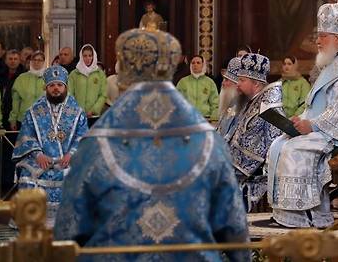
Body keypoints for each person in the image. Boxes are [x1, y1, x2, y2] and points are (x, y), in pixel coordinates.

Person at [54, 28, 250, 261]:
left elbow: (68, 233)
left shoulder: (94, 146)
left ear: (122, 77)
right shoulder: (210, 143)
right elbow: (235, 232)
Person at [267, 3, 338, 228]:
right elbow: (317, 105)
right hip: (325, 128)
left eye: (322, 36)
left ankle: (305, 216)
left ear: (337, 39)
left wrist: (312, 126)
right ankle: (288, 213)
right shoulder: (334, 64)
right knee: (278, 144)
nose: (317, 41)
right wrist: (300, 119)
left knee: (293, 149)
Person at [12, 66, 88, 227]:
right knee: (27, 174)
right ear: (46, 88)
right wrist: (38, 154)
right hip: (40, 159)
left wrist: (71, 154)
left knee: (78, 175)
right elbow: (26, 135)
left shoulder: (77, 112)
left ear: (65, 87)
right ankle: (31, 221)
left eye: (59, 85)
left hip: (67, 159)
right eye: (52, 85)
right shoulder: (33, 111)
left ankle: (70, 221)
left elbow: (83, 137)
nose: (56, 89)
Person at [227, 53, 283, 211]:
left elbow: (248, 157)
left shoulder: (265, 111)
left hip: (254, 177)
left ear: (257, 84)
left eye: (242, 80)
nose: (237, 84)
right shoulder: (252, 103)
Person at [68, 44, 107, 123]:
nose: (88, 58)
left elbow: (103, 94)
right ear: (81, 57)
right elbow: (69, 94)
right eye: (85, 56)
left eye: (90, 55)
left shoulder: (100, 74)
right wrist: (76, 110)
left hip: (94, 116)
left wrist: (94, 110)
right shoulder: (74, 74)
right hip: (77, 115)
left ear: (94, 56)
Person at [9, 50, 46, 130]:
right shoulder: (21, 78)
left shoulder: (48, 78)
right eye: (34, 60)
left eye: (39, 60)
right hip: (24, 119)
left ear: (44, 62)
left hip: (44, 120)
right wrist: (13, 119)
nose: (36, 62)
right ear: (31, 62)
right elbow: (16, 101)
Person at [176, 55, 220, 122]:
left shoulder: (210, 82)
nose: (195, 65)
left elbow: (215, 104)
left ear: (203, 65)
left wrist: (214, 120)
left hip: (205, 119)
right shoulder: (183, 82)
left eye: (198, 63)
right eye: (193, 63)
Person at [217, 57, 243, 138]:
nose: (223, 83)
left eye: (226, 80)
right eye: (224, 79)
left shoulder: (241, 108)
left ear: (236, 85)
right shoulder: (229, 104)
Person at [0, 50, 25, 129]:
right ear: (6, 61)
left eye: (15, 59)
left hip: (16, 113)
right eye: (10, 59)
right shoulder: (0, 75)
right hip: (2, 110)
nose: (12, 61)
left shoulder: (23, 75)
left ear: (19, 60)